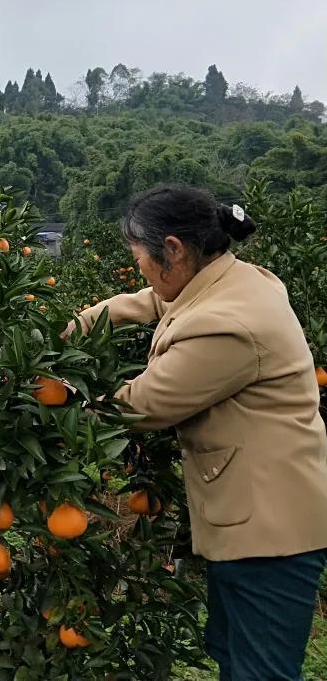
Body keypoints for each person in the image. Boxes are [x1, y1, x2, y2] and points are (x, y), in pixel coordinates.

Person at [68, 184, 327, 681]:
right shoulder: (229, 281)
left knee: (260, 671)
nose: (140, 268)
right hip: (255, 515)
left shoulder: (228, 325)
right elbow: (151, 300)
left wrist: (54, 396)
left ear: (173, 250)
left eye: (140, 256)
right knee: (232, 651)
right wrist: (76, 327)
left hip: (271, 531)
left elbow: (142, 405)